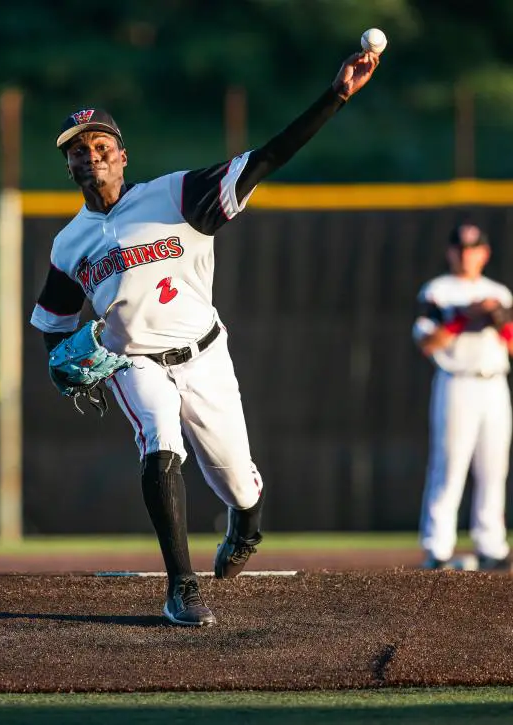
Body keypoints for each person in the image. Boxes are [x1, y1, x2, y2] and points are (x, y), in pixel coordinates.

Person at [30, 49, 380, 626]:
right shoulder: (69, 244)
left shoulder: (175, 196)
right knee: (160, 441)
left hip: (204, 354)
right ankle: (182, 586)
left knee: (238, 481)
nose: (90, 157)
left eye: (100, 147)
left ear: (121, 155)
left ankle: (245, 525)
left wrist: (336, 95)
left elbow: (267, 158)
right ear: (67, 167)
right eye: (77, 151)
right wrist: (61, 361)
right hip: (133, 361)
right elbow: (53, 325)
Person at [413, 223, 513, 572]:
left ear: (484, 253)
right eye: (461, 248)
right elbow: (427, 343)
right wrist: (462, 318)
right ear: (451, 252)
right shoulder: (438, 291)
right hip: (456, 382)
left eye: (474, 249)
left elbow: (511, 342)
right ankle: (437, 547)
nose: (467, 254)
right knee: (449, 466)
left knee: (494, 468)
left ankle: (493, 546)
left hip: (494, 384)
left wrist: (497, 318)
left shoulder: (499, 293)